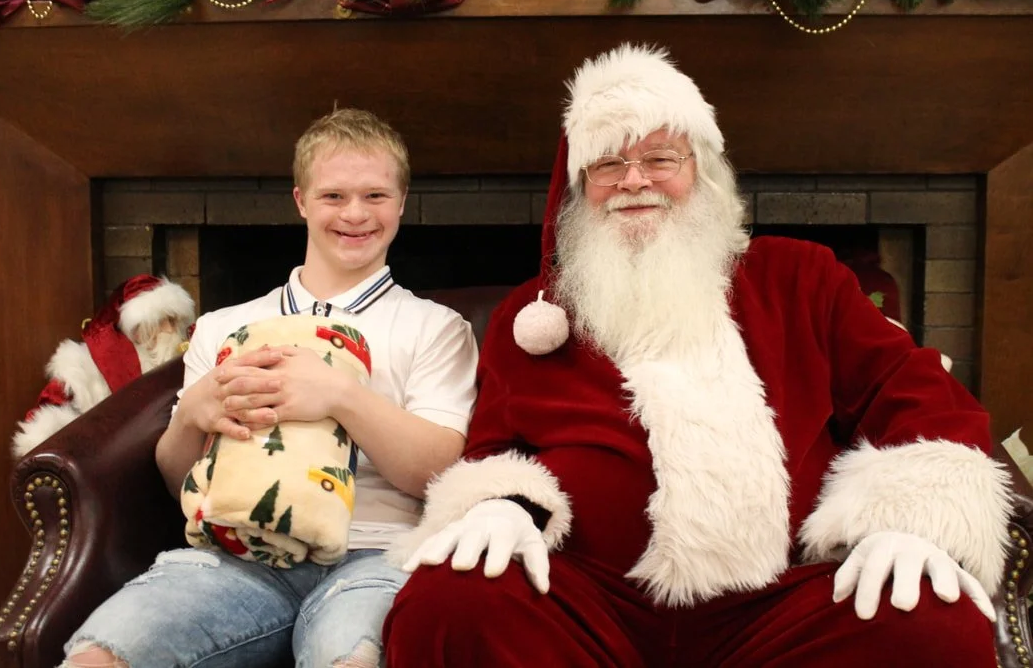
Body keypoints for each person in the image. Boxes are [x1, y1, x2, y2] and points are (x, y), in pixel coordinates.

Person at [382, 44, 1011, 667]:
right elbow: (494, 449)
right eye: (607, 163)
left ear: (701, 171)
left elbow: (914, 390)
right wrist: (504, 505)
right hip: (586, 604)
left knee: (930, 623)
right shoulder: (535, 316)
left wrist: (909, 521)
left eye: (660, 157)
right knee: (449, 604)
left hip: (780, 607)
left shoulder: (801, 279)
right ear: (580, 187)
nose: (634, 181)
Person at [60, 108, 479, 668]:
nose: (355, 214)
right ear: (301, 200)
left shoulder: (436, 326)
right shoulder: (221, 328)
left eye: (375, 196)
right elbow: (180, 480)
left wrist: (340, 396)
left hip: (378, 554)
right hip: (238, 556)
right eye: (333, 196)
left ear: (401, 203)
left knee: (352, 657)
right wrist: (191, 418)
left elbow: (438, 473)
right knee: (98, 655)